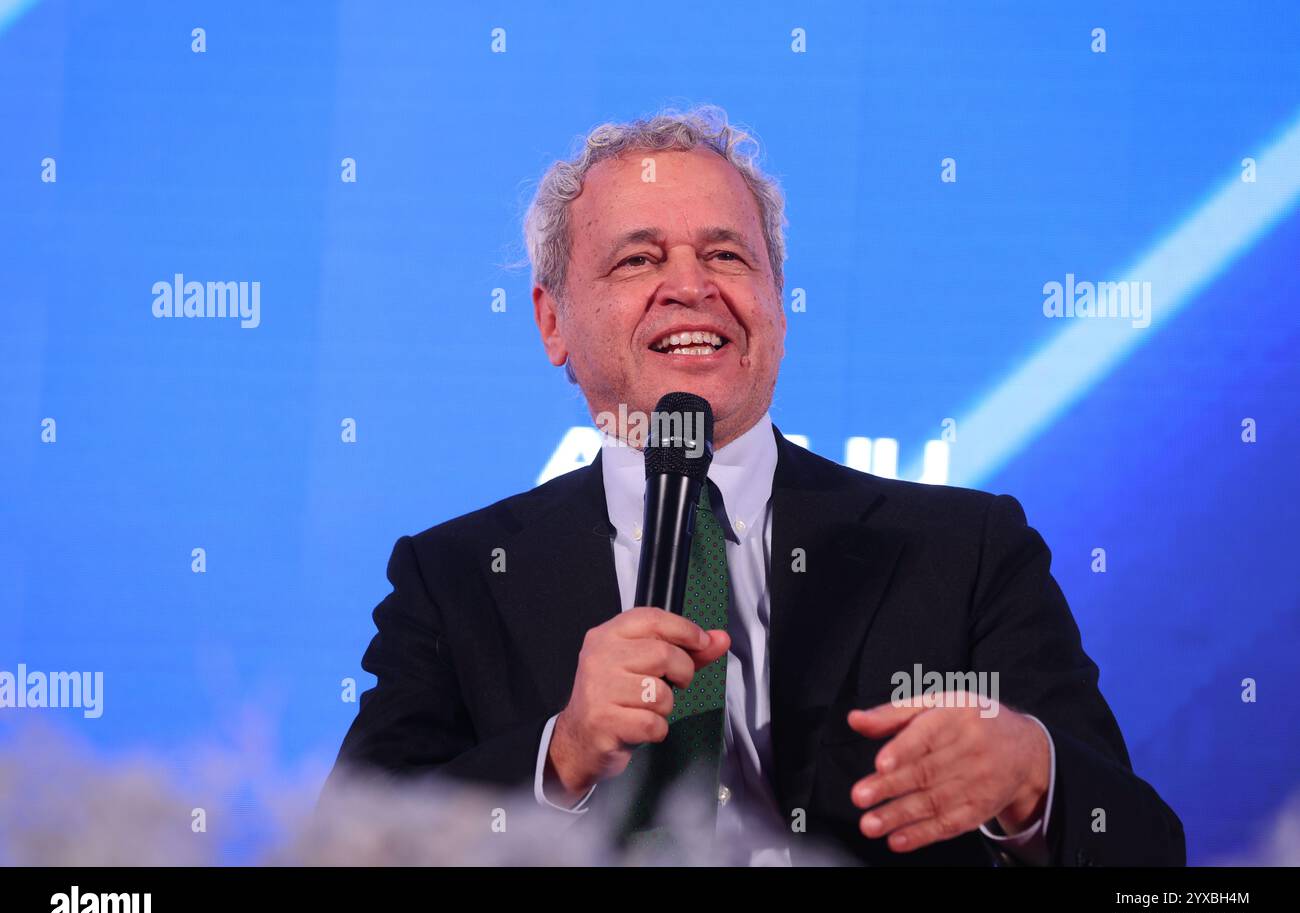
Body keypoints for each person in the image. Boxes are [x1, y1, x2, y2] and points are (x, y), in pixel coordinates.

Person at [327, 105, 1185, 866]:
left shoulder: (966, 551)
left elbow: (1153, 866)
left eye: (727, 254)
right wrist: (562, 754)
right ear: (553, 321)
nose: (691, 287)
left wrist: (1035, 779)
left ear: (777, 302)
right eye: (638, 260)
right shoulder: (458, 579)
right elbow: (347, 850)